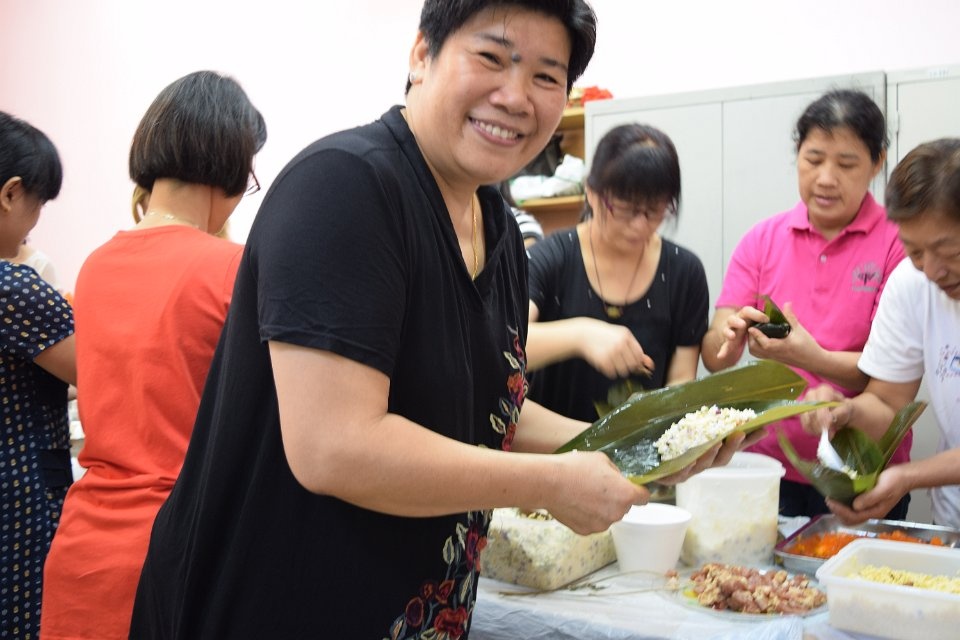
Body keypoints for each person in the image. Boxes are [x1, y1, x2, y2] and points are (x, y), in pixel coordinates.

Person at [129, 3, 743, 638]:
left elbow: (491, 411)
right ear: (422, 54)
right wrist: (550, 483)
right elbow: (334, 447)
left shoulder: (499, 230)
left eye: (545, 76)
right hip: (273, 608)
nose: (515, 96)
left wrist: (635, 449)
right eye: (492, 57)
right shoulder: (345, 186)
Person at [39, 71, 266, 640]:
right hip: (176, 559)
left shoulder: (96, 265)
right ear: (232, 166)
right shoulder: (233, 271)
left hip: (81, 552)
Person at [701, 89, 908, 519]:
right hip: (768, 465)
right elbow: (715, 353)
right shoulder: (762, 239)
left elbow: (893, 376)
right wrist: (729, 339)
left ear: (877, 163)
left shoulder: (899, 244)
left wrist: (809, 357)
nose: (826, 178)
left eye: (846, 164)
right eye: (813, 159)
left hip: (861, 467)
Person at [803, 138, 960, 528]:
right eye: (915, 251)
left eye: (950, 252)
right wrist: (849, 411)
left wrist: (908, 476)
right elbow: (888, 402)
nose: (932, 270)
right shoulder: (910, 284)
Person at [524, 123, 707, 422]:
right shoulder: (551, 258)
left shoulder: (685, 272)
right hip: (554, 445)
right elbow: (503, 346)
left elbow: (681, 378)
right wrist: (581, 335)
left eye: (655, 210)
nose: (640, 225)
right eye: (625, 209)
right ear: (592, 193)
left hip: (643, 447)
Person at [0, 111, 75, 640]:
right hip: (20, 500)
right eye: (38, 204)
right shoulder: (14, 287)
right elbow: (100, 372)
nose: (35, 222)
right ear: (10, 194)